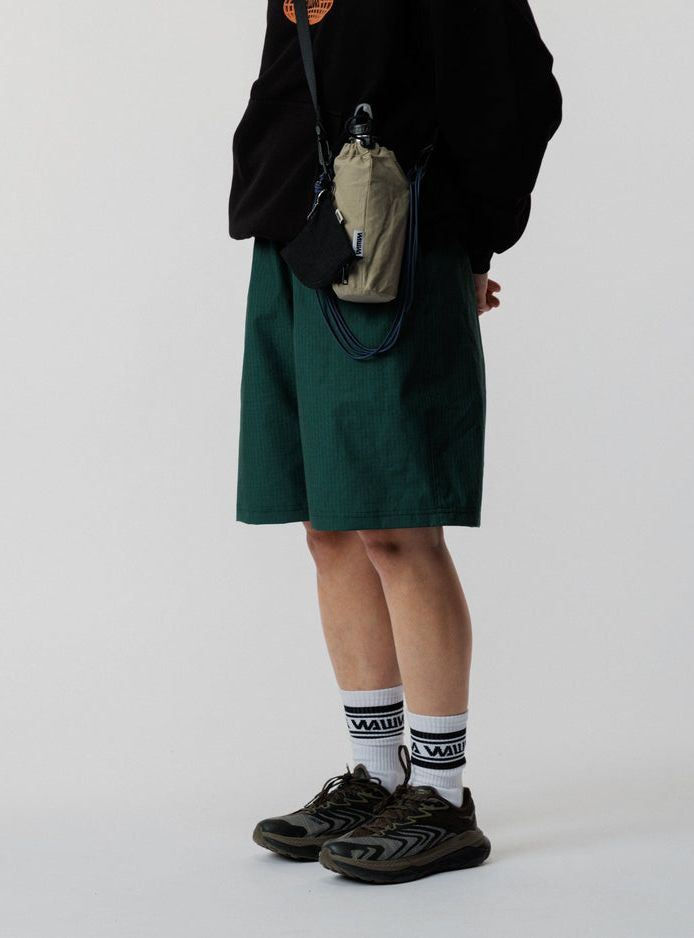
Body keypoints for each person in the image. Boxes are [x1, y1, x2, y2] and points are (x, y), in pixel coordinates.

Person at [228, 0, 561, 884]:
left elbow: (517, 89)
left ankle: (441, 794)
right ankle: (377, 774)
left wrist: (468, 241)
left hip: (391, 239)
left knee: (395, 525)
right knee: (327, 525)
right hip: (296, 237)